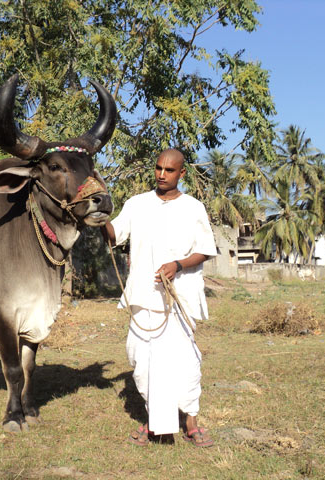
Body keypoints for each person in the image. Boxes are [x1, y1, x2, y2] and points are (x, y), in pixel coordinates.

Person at [102, 148, 217, 447]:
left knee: (184, 361)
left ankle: (191, 421)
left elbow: (205, 249)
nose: (161, 175)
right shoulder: (137, 204)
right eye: (158, 168)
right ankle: (155, 421)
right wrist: (98, 214)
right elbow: (115, 235)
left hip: (179, 295)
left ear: (182, 174)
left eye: (169, 170)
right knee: (140, 359)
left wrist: (178, 265)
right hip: (143, 293)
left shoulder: (194, 208)